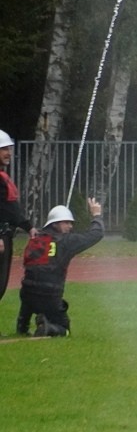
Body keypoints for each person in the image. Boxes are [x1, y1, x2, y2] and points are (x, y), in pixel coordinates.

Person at [16, 198, 104, 337]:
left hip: (26, 293)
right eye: (67, 222)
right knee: (66, 331)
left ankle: (22, 326)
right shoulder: (67, 241)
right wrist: (96, 215)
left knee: (30, 290)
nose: (70, 226)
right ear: (55, 224)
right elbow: (96, 234)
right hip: (50, 296)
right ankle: (48, 328)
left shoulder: (36, 238)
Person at [0, 130, 36, 305]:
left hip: (6, 236)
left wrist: (29, 227)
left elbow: (11, 209)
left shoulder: (3, 177)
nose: (8, 153)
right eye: (3, 149)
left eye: (9, 148)